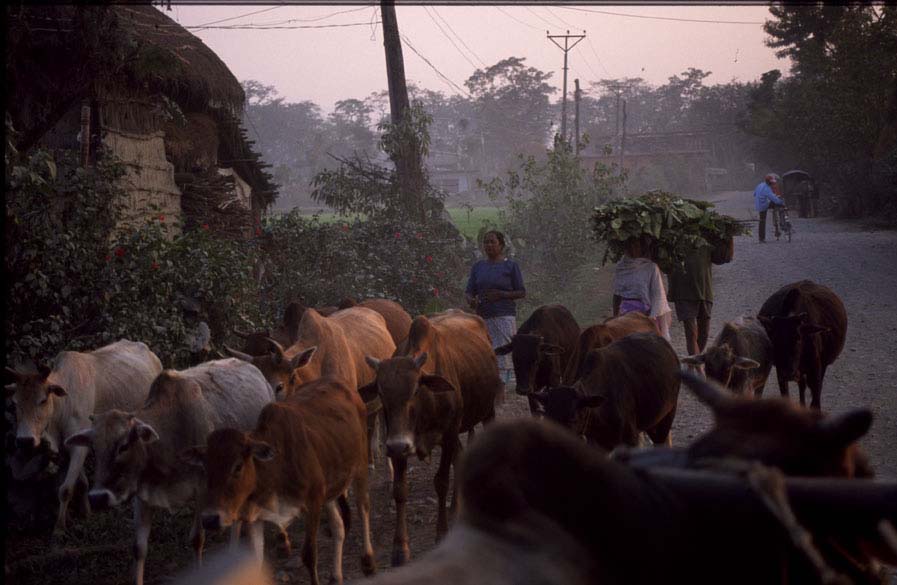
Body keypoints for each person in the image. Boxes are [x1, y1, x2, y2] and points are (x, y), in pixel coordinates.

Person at [465, 230, 526, 389]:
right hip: (483, 316)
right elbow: (469, 291)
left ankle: (504, 387)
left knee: (503, 352)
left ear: (502, 245)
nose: (489, 245)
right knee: (485, 350)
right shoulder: (478, 267)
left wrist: (502, 294)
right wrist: (471, 301)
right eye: (486, 242)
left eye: (492, 242)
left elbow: (521, 292)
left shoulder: (510, 266)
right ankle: (489, 385)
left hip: (504, 315)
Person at [611, 236, 672, 340]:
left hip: (646, 312)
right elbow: (617, 294)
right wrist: (615, 316)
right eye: (629, 246)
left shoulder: (651, 268)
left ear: (642, 248)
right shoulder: (621, 267)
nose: (633, 249)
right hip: (625, 312)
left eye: (636, 246)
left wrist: (651, 318)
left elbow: (658, 296)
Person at [667, 245, 714, 369]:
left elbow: (722, 257)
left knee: (704, 333)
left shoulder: (707, 234)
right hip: (683, 288)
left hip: (705, 288)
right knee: (691, 333)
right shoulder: (674, 237)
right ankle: (699, 374)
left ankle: (692, 364)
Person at [753, 174, 785, 243]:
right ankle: (779, 222)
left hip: (758, 204)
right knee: (778, 205)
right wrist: (781, 202)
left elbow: (754, 193)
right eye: (772, 182)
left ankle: (761, 238)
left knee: (762, 221)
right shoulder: (767, 189)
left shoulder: (760, 185)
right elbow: (774, 199)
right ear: (769, 182)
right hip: (764, 205)